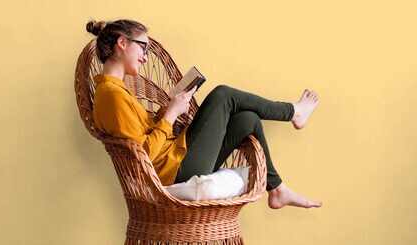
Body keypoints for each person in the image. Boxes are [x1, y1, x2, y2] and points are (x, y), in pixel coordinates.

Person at [87, 19, 322, 209]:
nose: (146, 56)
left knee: (247, 119)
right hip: (174, 171)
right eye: (143, 47)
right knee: (223, 94)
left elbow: (141, 137)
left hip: (176, 160)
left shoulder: (116, 90)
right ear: (122, 43)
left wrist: (170, 107)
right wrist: (170, 115)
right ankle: (293, 112)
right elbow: (143, 155)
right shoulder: (111, 94)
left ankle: (277, 190)